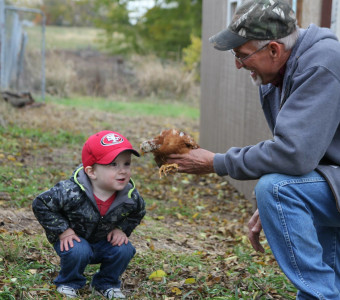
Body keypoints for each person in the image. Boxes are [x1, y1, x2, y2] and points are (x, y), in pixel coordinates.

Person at [167, 0, 340, 298]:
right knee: (281, 191)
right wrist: (292, 193)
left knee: (275, 188)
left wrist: (217, 162)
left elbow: (294, 154)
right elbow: (303, 152)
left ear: (274, 49)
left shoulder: (322, 63)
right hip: (332, 176)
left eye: (242, 55)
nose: (238, 64)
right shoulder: (277, 75)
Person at [33, 130, 146, 299]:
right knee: (78, 251)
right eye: (113, 164)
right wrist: (63, 230)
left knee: (124, 249)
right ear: (91, 171)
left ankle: (106, 283)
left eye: (126, 163)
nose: (123, 170)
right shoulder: (70, 191)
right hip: (74, 240)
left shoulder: (130, 196)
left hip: (103, 240)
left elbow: (138, 212)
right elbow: (41, 204)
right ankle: (69, 282)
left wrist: (122, 229)